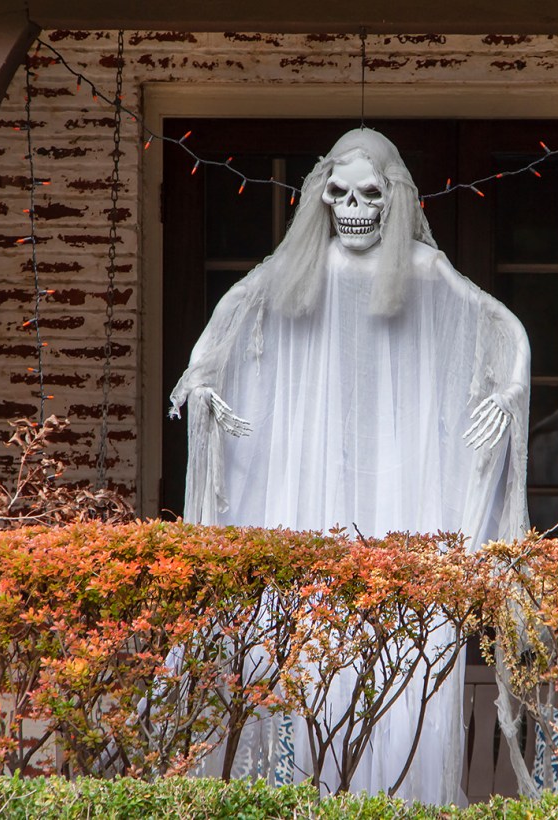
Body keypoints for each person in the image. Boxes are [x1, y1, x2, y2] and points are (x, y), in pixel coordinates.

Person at [169, 127, 530, 804]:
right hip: (308, 496)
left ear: (392, 200)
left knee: (395, 660)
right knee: (299, 655)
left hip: (396, 494)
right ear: (322, 197)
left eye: (369, 194)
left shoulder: (423, 273)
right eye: (340, 193)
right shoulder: (296, 272)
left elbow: (501, 325)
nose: (354, 208)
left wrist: (509, 392)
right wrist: (204, 385)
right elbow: (224, 322)